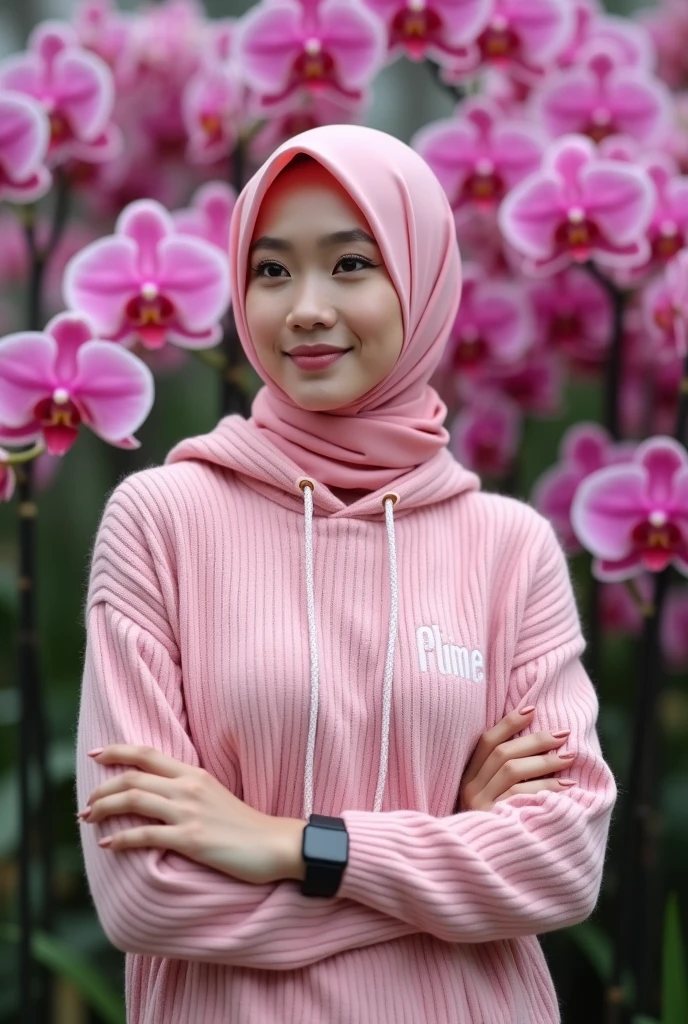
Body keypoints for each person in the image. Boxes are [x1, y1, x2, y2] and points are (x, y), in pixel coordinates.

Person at [75, 124, 617, 1024]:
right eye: (273, 270)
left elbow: (561, 867)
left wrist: (288, 843)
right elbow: (146, 895)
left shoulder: (509, 548)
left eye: (353, 264)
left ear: (424, 277)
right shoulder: (161, 521)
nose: (307, 309)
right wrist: (451, 850)